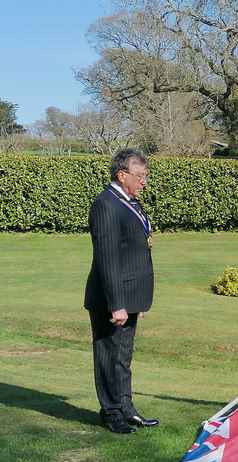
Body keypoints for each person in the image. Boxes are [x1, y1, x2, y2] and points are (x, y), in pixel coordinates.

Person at [84, 148, 159, 433]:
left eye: (145, 176)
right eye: (140, 176)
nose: (144, 182)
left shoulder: (129, 202)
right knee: (108, 355)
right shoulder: (106, 204)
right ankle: (111, 412)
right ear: (122, 174)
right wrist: (116, 303)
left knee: (123, 356)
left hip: (130, 296)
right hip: (110, 298)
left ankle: (126, 408)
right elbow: (107, 258)